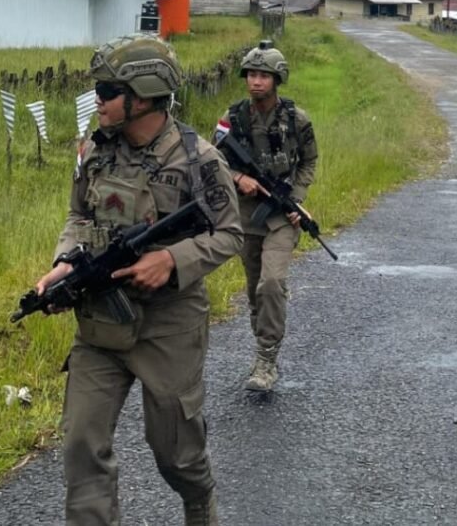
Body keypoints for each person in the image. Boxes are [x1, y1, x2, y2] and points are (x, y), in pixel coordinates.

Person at [34, 34, 243, 525]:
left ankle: (199, 501)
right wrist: (66, 261)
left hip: (168, 326)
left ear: (143, 94)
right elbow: (77, 214)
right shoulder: (95, 150)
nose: (97, 100)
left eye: (107, 90)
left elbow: (229, 232)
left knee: (176, 455)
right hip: (101, 323)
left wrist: (171, 260)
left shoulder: (198, 160)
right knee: (82, 447)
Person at [212, 40, 318, 392]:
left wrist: (297, 199)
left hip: (281, 214)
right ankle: (264, 346)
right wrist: (239, 178)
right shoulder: (232, 119)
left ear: (278, 79)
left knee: (272, 283)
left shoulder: (296, 119)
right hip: (246, 216)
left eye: (264, 76)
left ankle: (266, 360)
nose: (256, 82)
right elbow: (213, 162)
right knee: (255, 289)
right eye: (252, 75)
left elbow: (309, 161)